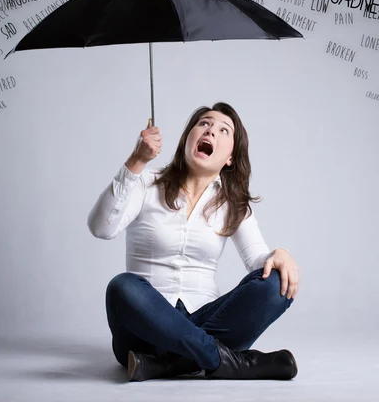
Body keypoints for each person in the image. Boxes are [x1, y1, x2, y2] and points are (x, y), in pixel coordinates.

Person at [87, 102, 300, 382]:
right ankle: (231, 363)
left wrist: (280, 253)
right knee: (122, 286)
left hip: (207, 323)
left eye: (223, 130)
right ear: (188, 137)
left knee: (276, 283)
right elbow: (101, 228)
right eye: (204, 124)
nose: (211, 131)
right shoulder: (145, 182)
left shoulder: (232, 203)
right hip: (143, 331)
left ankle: (165, 364)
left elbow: (258, 260)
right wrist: (136, 161)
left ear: (230, 159)